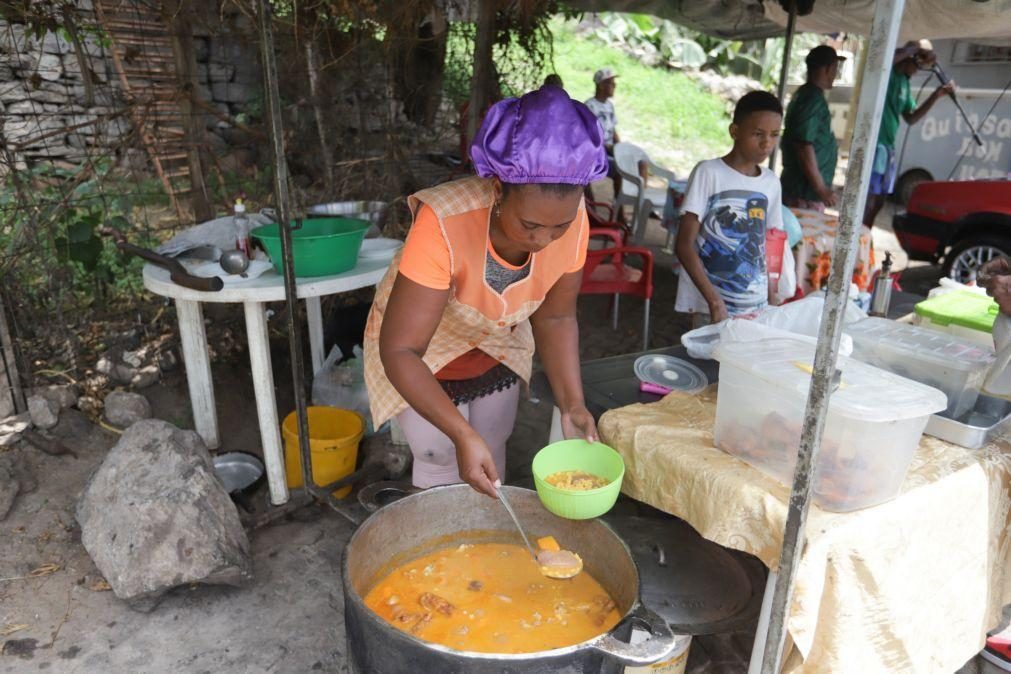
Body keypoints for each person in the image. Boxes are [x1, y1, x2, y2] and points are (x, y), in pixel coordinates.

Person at [363, 86, 605, 498]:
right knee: (439, 452)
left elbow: (557, 316)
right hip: (422, 352)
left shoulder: (574, 217)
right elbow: (401, 350)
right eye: (530, 225)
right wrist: (460, 433)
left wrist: (572, 403)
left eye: (558, 228)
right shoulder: (444, 221)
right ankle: (439, 551)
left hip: (497, 344)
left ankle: (484, 547)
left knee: (491, 446)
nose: (545, 240)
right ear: (497, 190)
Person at [675, 91, 785, 325]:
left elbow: (772, 241)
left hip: (756, 306)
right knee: (708, 360)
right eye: (758, 134)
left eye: (774, 135)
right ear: (734, 131)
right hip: (711, 306)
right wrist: (714, 301)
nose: (767, 143)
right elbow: (683, 245)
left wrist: (772, 293)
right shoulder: (709, 173)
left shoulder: (771, 183)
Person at [863, 39, 956, 227]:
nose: (918, 70)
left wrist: (935, 96)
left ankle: (865, 235)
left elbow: (911, 118)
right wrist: (912, 49)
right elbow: (884, 62)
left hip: (887, 147)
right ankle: (857, 235)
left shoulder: (904, 83)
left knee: (880, 199)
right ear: (910, 58)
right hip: (876, 144)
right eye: (917, 64)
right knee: (869, 197)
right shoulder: (887, 74)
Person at [781, 45, 845, 211]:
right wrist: (821, 189)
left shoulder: (807, 94)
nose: (835, 74)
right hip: (803, 193)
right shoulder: (812, 98)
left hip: (802, 191)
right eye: (835, 69)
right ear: (829, 68)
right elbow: (803, 145)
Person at [583, 68, 623, 211]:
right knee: (619, 171)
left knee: (637, 164)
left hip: (611, 149)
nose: (614, 86)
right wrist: (607, 147)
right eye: (611, 83)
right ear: (601, 85)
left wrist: (620, 147)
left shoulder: (609, 106)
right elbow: (588, 137)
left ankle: (634, 205)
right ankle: (618, 212)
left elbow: (613, 130)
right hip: (597, 152)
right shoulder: (589, 106)